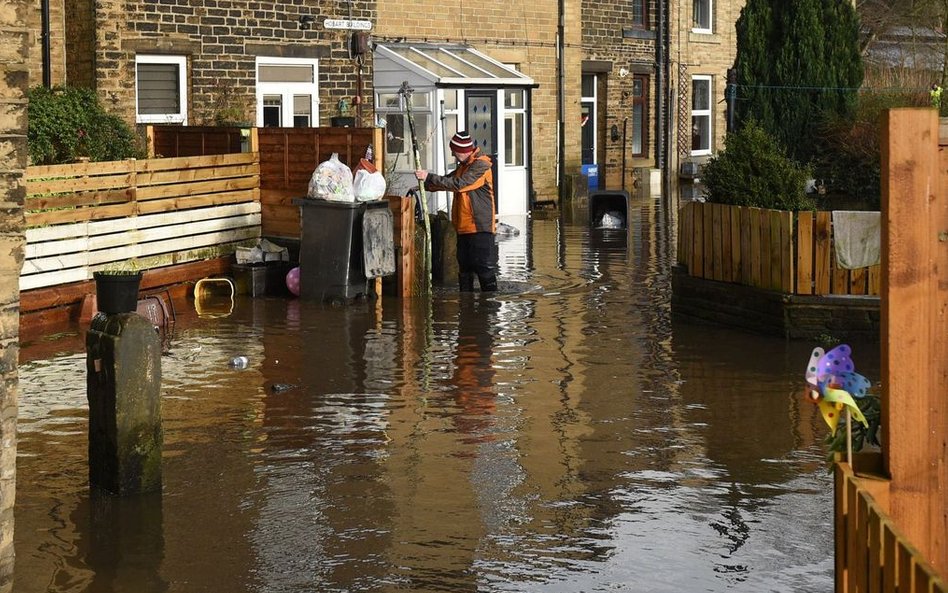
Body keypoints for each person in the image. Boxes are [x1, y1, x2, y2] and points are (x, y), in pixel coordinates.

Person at [415, 131, 498, 292]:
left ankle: (489, 304)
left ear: (463, 150)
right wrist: (425, 186)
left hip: (479, 227)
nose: (452, 154)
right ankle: (466, 305)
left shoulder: (481, 166)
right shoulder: (464, 167)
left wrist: (428, 177)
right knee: (464, 268)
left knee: (483, 266)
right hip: (463, 226)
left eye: (454, 151)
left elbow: (459, 184)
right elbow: (447, 181)